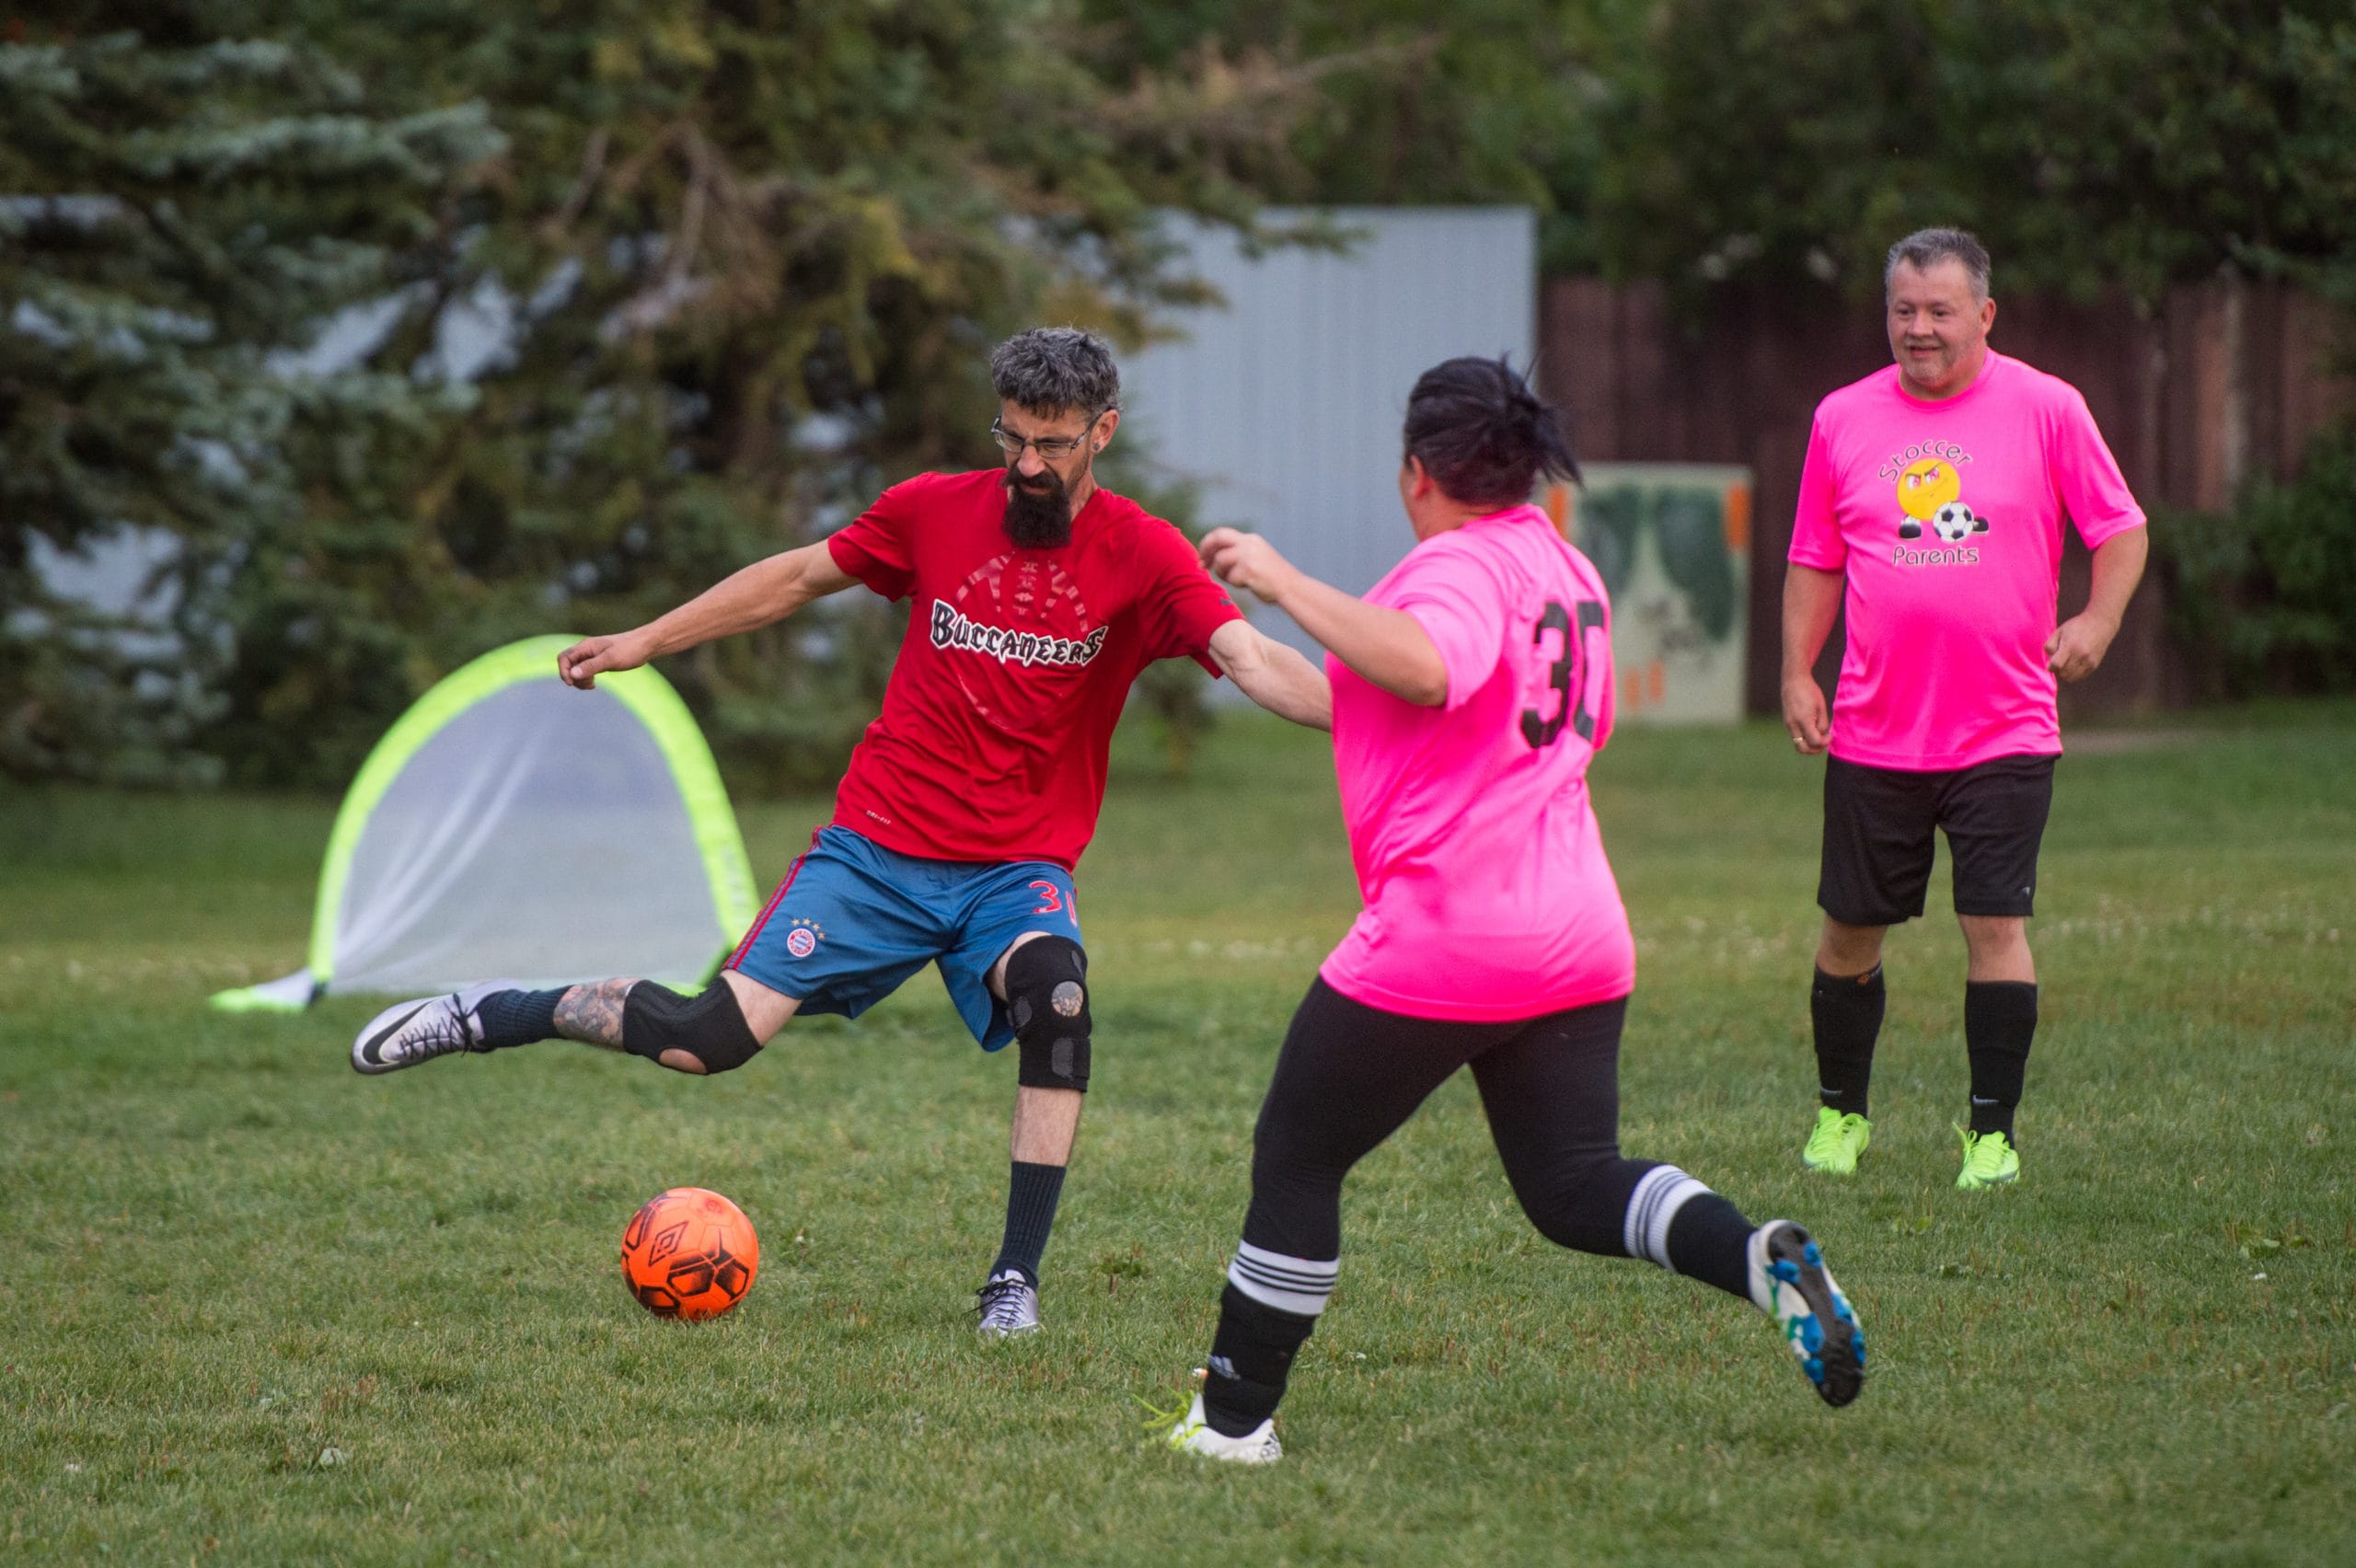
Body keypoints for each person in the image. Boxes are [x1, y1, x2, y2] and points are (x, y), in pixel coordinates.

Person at [350, 327, 1332, 1337]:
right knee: (705, 1043)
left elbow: (1252, 661)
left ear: (1103, 432)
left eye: (1054, 444)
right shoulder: (930, 511)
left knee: (1060, 1001)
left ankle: (1011, 1282)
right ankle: (489, 1012)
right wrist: (646, 639)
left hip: (1015, 872)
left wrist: (1380, 716)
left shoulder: (1144, 553)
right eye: (1013, 439)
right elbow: (792, 578)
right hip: (877, 851)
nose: (1029, 465)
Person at [1160, 356, 1864, 1465]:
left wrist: (1284, 580)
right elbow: (1383, 696)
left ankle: (1234, 1424)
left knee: (1296, 1154)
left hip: (1446, 939)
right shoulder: (1563, 566)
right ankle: (1751, 1253)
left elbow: (1433, 667)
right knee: (1572, 1185)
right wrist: (1232, 644)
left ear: (1416, 472)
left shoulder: (1451, 573)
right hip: (1577, 938)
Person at [1783, 228, 2148, 1191]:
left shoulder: (2046, 408)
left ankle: (1991, 1136)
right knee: (1848, 932)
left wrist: (2098, 622)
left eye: (1940, 310)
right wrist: (1795, 670)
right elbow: (1815, 557)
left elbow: (2119, 529)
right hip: (1873, 728)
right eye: (1903, 309)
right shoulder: (1841, 418)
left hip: (2004, 726)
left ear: (1983, 314)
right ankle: (1840, 1119)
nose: (1919, 328)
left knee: (1994, 926)